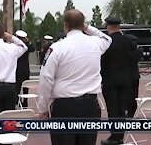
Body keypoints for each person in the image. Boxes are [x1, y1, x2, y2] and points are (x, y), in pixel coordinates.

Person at [38, 10, 111, 145]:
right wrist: (87, 27)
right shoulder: (95, 43)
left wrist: (42, 107)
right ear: (83, 24)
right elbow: (107, 38)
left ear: (65, 25)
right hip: (90, 106)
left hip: (65, 107)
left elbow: (46, 78)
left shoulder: (57, 47)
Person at [101, 17, 134, 145]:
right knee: (121, 109)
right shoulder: (127, 41)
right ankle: (120, 136)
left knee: (112, 109)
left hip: (110, 80)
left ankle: (114, 137)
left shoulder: (107, 41)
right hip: (125, 79)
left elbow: (102, 61)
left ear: (108, 26)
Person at [14, 30, 34, 108]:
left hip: (18, 69)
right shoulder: (25, 46)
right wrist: (27, 42)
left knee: (18, 87)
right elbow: (32, 48)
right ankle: (23, 102)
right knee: (23, 87)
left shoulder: (17, 45)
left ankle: (19, 102)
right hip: (24, 69)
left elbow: (32, 49)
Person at [125, 34, 141, 118]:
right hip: (135, 75)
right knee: (135, 94)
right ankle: (133, 111)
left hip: (127, 75)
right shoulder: (138, 51)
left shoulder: (125, 52)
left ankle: (129, 111)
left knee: (128, 95)